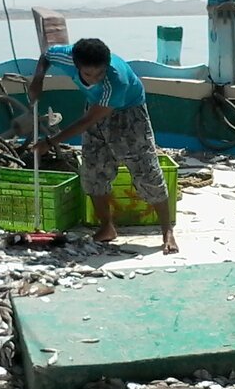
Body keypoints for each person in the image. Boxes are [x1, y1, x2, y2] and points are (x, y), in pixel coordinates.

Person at [29, 38, 178, 254]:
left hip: (129, 113)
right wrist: (38, 80)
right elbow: (46, 56)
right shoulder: (66, 56)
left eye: (100, 73)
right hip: (94, 106)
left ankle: (167, 231)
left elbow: (89, 120)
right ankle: (107, 227)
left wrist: (51, 142)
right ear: (76, 65)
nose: (95, 78)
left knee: (146, 172)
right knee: (93, 172)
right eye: (88, 74)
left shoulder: (116, 81)